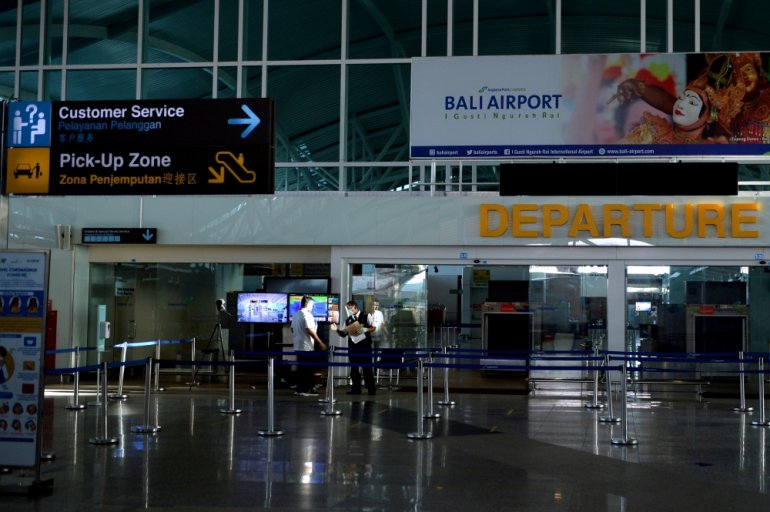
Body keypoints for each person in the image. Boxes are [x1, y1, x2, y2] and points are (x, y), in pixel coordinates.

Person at [333, 300, 376, 395]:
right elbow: (343, 334)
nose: (348, 311)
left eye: (350, 309)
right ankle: (356, 389)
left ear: (355, 307)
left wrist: (365, 329)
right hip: (353, 347)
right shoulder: (348, 320)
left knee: (367, 368)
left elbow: (373, 328)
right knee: (354, 369)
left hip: (365, 346)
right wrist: (336, 330)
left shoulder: (366, 316)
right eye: (347, 309)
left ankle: (371, 389)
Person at [290, 295, 326, 397]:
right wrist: (320, 342)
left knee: (301, 368)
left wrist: (298, 335)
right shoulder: (308, 315)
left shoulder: (296, 314)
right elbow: (310, 330)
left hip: (298, 345)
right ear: (308, 304)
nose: (312, 306)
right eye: (312, 304)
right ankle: (305, 390)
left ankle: (300, 389)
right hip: (306, 346)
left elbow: (292, 329)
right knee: (307, 369)